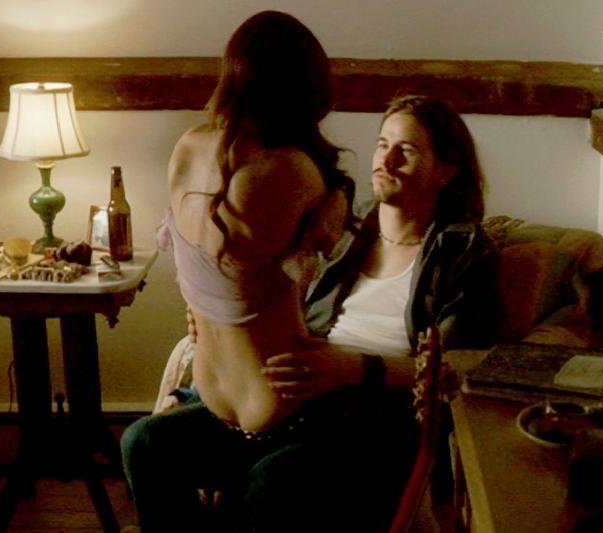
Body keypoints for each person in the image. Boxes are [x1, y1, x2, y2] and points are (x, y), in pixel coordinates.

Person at [120, 10, 355, 533]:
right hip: (284, 409)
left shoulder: (186, 148)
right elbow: (321, 257)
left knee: (141, 443)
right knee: (147, 443)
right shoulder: (292, 169)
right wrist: (338, 195)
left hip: (226, 400)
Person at [252, 95, 501, 528]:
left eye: (407, 150)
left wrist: (352, 368)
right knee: (147, 441)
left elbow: (452, 368)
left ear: (445, 171)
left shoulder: (463, 251)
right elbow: (288, 297)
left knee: (272, 479)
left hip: (385, 415)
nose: (386, 160)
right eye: (383, 144)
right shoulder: (345, 229)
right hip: (306, 396)